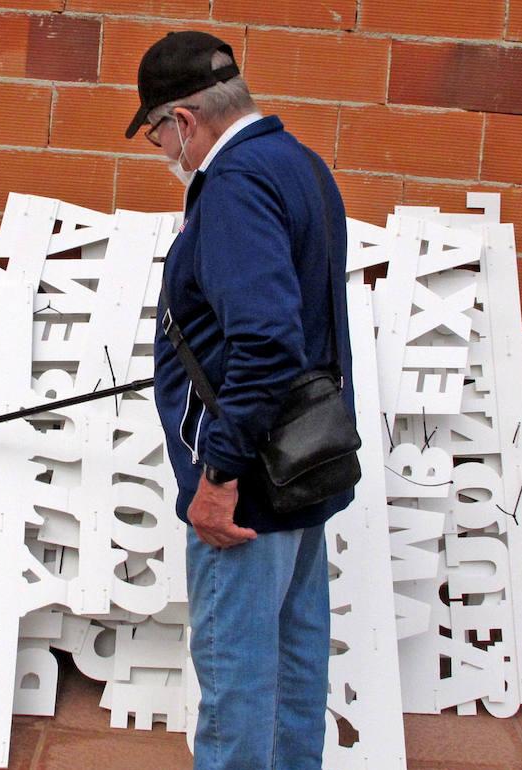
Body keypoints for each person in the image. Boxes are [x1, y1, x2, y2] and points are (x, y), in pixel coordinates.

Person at [124, 31, 355, 770]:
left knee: (236, 690)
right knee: (291, 671)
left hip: (248, 485)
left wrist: (218, 478)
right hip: (302, 467)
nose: (162, 149)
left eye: (158, 133)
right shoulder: (301, 165)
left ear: (184, 120)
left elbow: (264, 340)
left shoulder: (234, 185)